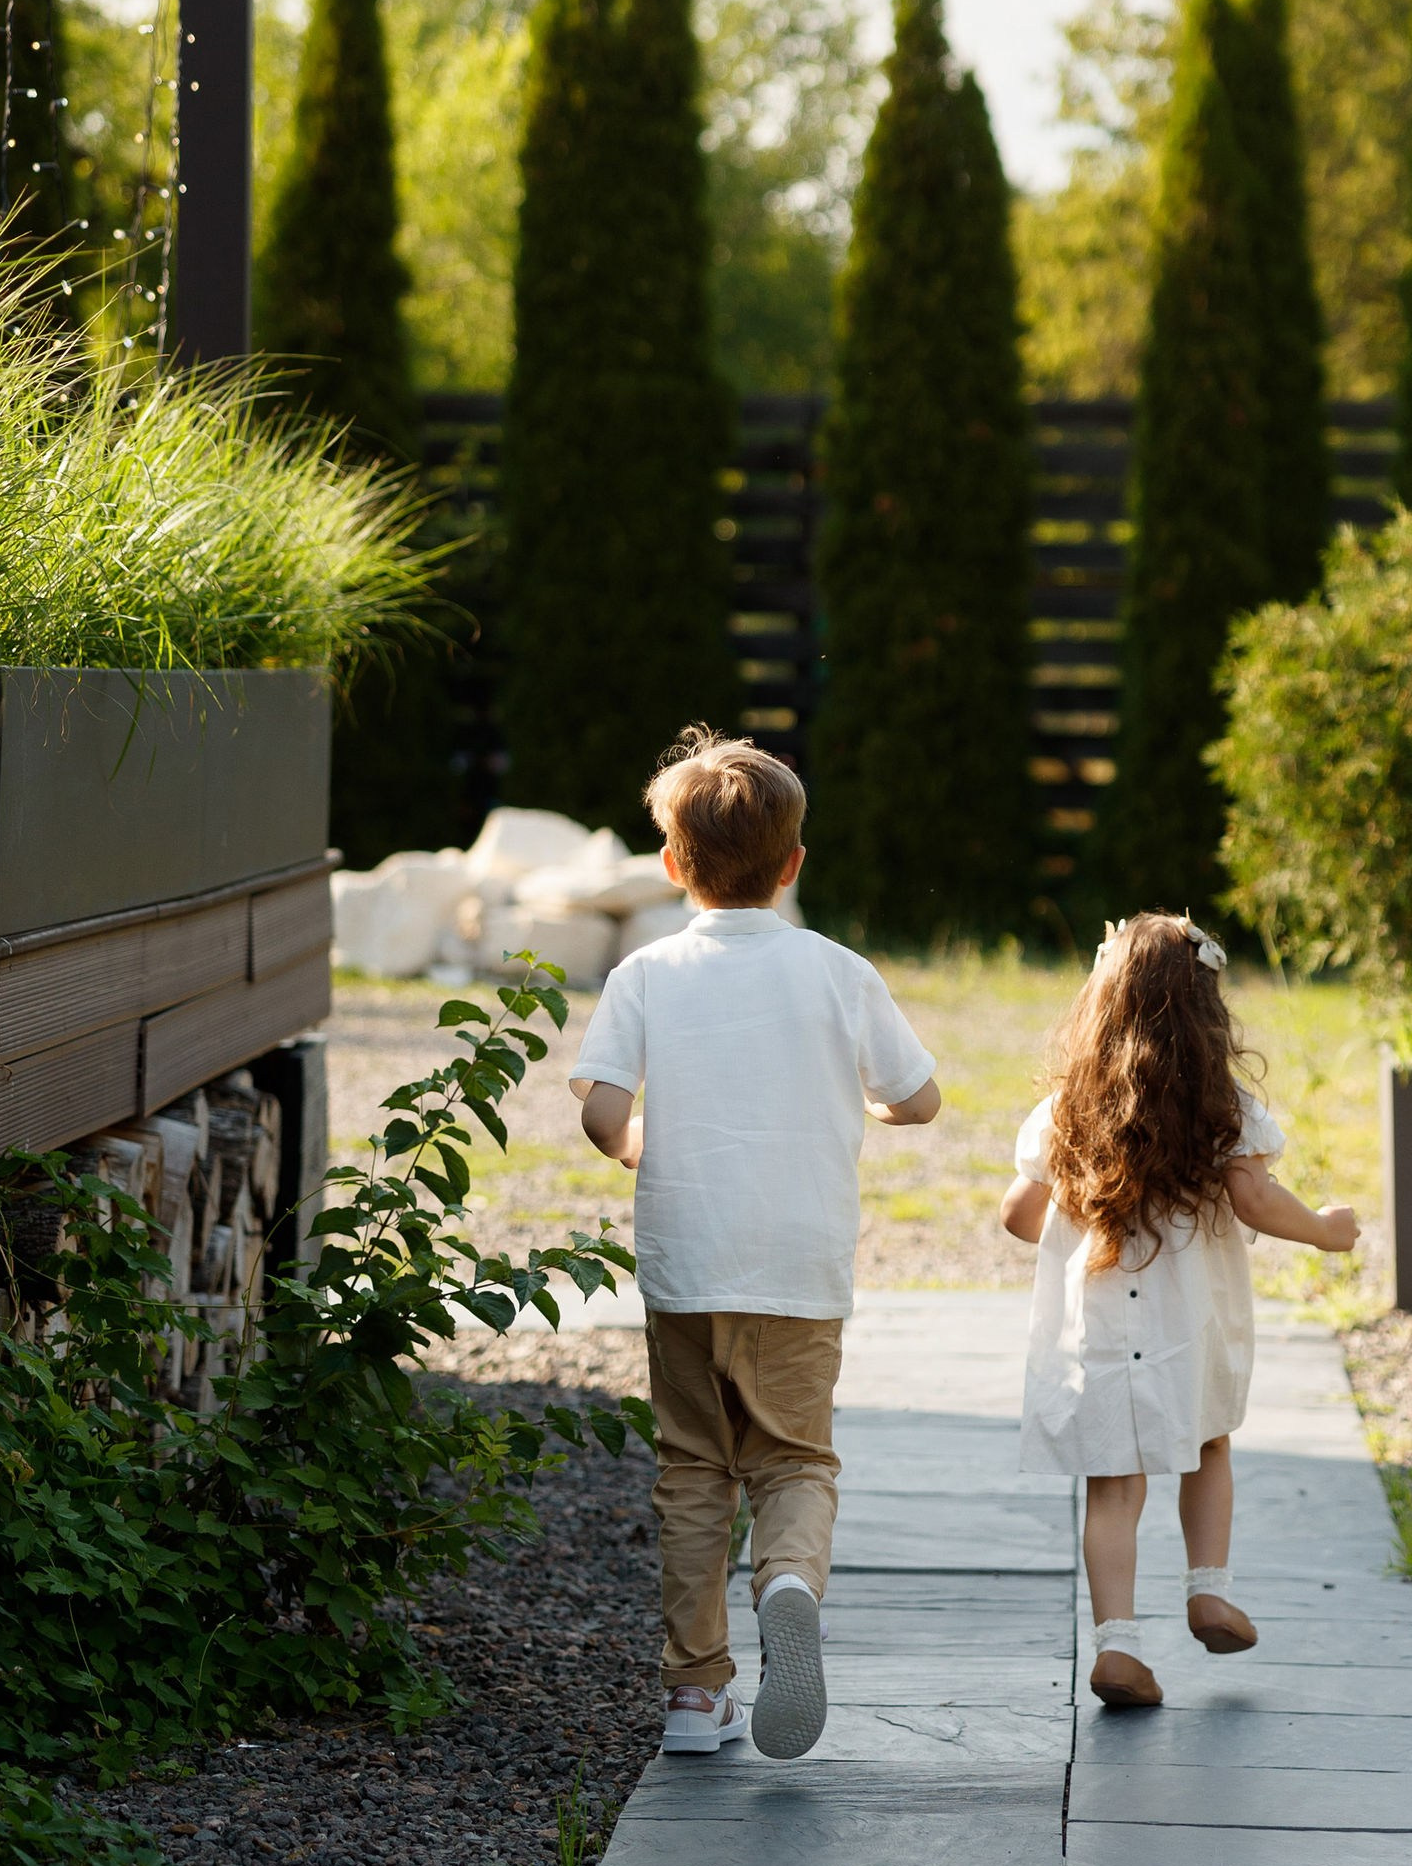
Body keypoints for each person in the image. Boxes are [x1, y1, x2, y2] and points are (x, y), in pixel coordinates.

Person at [571, 727, 940, 1760]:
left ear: (671, 867)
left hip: (686, 1261)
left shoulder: (645, 973)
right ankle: (786, 1579)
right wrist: (872, 1105)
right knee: (792, 1460)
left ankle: (694, 1697)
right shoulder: (837, 972)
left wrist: (639, 1141)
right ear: (794, 865)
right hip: (797, 1265)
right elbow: (921, 1097)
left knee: (692, 1469)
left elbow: (600, 1111)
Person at [1001, 913, 1358, 1709]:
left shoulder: (1066, 1110)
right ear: (1207, 1010)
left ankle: (1117, 1644)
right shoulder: (1223, 1105)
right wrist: (1327, 1232)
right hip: (1187, 1324)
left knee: (1113, 1488)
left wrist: (1076, 1213)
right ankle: (1209, 1591)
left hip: (1098, 1330)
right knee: (1209, 1443)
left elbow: (1018, 1217)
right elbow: (1257, 1197)